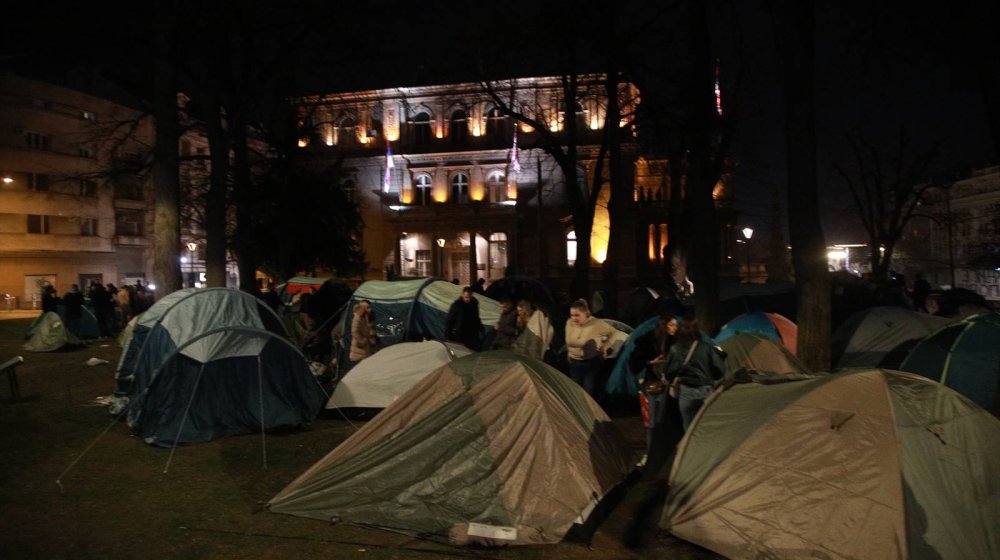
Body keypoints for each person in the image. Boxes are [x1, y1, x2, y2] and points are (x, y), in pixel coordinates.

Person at [665, 318, 725, 431]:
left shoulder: (675, 349)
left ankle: (688, 447)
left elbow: (669, 373)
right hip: (706, 390)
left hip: (686, 391)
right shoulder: (706, 347)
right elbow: (720, 370)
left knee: (688, 427)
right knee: (706, 426)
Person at [631, 314, 679, 454]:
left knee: (664, 419)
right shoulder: (648, 342)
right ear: (664, 326)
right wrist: (652, 362)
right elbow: (637, 362)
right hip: (654, 383)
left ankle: (663, 448)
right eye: (672, 325)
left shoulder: (676, 342)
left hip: (670, 384)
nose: (675, 328)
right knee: (653, 420)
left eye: (676, 325)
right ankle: (652, 450)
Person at [564, 298, 615, 397]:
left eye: (577, 315)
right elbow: (568, 340)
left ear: (585, 313)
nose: (574, 318)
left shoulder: (596, 324)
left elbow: (613, 332)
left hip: (590, 363)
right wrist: (569, 353)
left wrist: (605, 346)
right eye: (572, 315)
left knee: (589, 393)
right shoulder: (569, 323)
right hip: (574, 363)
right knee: (576, 392)